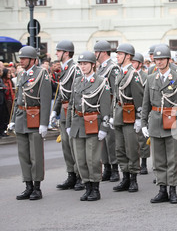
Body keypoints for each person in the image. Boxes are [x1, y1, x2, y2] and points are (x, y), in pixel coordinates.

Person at [141, 45, 177, 204]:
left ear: (169, 60)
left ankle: (173, 190)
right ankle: (162, 189)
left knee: (173, 159)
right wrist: (143, 123)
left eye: (162, 59)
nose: (159, 62)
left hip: (173, 121)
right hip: (155, 122)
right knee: (158, 160)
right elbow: (146, 103)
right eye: (157, 59)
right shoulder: (150, 78)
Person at [66, 51, 111, 201]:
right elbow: (71, 105)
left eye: (85, 63)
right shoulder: (77, 81)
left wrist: (104, 128)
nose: (82, 66)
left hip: (93, 124)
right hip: (78, 124)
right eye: (80, 63)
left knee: (92, 159)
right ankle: (87, 186)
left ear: (93, 65)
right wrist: (68, 124)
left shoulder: (101, 81)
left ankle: (95, 188)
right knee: (80, 159)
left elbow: (106, 106)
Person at [8, 46, 52, 200]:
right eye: (21, 58)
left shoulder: (42, 74)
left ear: (33, 59)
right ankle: (28, 185)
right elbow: (17, 99)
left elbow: (46, 100)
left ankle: (37, 187)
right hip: (21, 117)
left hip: (35, 117)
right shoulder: (21, 75)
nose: (21, 61)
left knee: (36, 155)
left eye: (24, 58)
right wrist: (12, 120)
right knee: (23, 155)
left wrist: (44, 123)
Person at [110, 43, 144, 193]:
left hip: (130, 115)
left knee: (131, 148)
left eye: (119, 54)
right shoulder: (120, 72)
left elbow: (139, 98)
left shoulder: (133, 74)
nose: (117, 56)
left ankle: (133, 179)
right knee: (120, 149)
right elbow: (116, 96)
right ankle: (125, 177)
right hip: (118, 115)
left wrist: (139, 118)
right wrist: (112, 115)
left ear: (128, 56)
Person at [50, 40, 83, 191]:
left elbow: (77, 92)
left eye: (59, 51)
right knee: (66, 146)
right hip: (63, 112)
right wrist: (54, 111)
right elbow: (60, 93)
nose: (57, 53)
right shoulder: (64, 69)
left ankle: (80, 176)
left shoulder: (75, 69)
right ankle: (71, 174)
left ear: (66, 53)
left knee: (74, 146)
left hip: (72, 112)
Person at [95, 40, 121, 183]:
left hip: (109, 108)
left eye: (96, 51)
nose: (94, 54)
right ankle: (107, 167)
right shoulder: (100, 69)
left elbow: (115, 92)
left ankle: (115, 168)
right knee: (103, 141)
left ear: (103, 52)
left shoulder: (113, 68)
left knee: (111, 140)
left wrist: (112, 113)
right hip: (100, 108)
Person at [131, 52, 150, 175]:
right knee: (132, 139)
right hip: (129, 109)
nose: (132, 64)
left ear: (140, 63)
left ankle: (143, 162)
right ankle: (134, 162)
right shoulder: (129, 75)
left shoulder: (145, 76)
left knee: (142, 138)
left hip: (141, 108)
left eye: (134, 62)